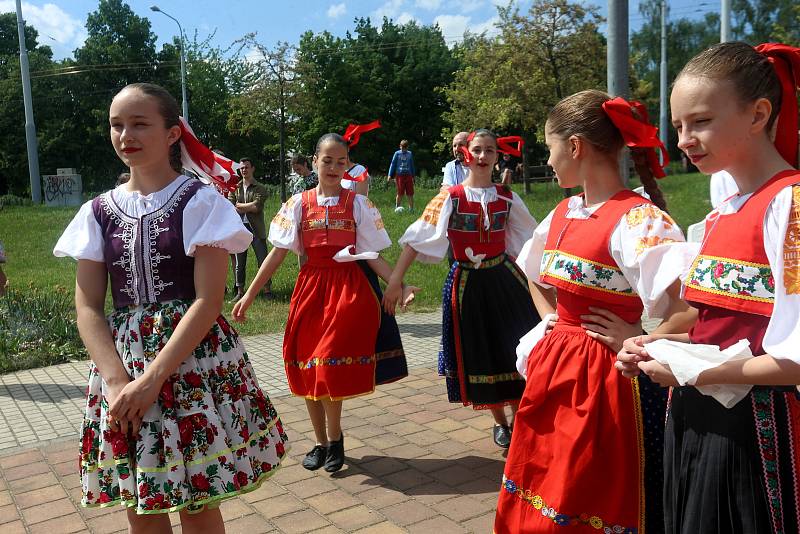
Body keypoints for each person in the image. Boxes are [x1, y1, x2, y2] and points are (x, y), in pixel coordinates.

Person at [52, 82, 289, 532]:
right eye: (116, 125)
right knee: (143, 500)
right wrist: (120, 382)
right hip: (121, 366)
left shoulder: (200, 202)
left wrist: (152, 380)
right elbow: (87, 307)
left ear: (172, 133)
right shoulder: (97, 211)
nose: (126, 135)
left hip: (191, 364)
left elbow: (209, 300)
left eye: (140, 123)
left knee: (198, 500)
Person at [617, 42, 800, 533]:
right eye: (678, 126)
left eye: (699, 122)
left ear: (758, 113)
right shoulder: (722, 214)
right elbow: (722, 328)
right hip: (700, 416)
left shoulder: (791, 208)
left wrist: (693, 372)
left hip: (756, 431)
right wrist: (658, 343)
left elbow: (794, 358)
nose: (684, 139)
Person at [493, 90, 692, 534]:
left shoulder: (638, 219)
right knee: (544, 481)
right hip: (555, 370)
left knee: (589, 490)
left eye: (549, 146)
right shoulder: (564, 212)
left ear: (576, 146)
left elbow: (691, 306)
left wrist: (639, 339)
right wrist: (550, 323)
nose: (548, 157)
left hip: (608, 379)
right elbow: (533, 273)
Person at [232, 133, 417, 474]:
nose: (333, 167)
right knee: (304, 364)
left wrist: (399, 284)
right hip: (310, 289)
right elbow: (277, 254)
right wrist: (249, 294)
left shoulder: (358, 205)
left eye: (340, 161)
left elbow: (372, 255)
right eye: (327, 160)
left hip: (348, 291)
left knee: (329, 363)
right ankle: (320, 441)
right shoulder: (298, 203)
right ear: (314, 162)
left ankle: (334, 439)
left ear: (348, 165)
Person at [383, 129, 539, 448]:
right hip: (466, 283)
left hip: (504, 279)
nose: (482, 156)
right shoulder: (450, 196)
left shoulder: (508, 196)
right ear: (466, 154)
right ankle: (500, 423)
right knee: (479, 349)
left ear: (497, 156)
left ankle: (521, 415)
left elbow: (534, 239)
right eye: (477, 150)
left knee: (515, 343)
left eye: (489, 151)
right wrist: (395, 282)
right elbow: (416, 240)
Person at [228, 158, 272, 301]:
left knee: (263, 260)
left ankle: (267, 290)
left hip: (256, 229)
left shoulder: (260, 188)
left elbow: (257, 207)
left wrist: (240, 205)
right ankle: (240, 291)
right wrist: (246, 206)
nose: (244, 170)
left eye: (247, 167)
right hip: (240, 229)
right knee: (240, 262)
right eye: (242, 168)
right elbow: (231, 207)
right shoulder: (236, 187)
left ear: (252, 168)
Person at [388, 139, 416, 211]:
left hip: (408, 176)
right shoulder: (397, 154)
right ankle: (397, 208)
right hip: (400, 176)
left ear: (407, 147)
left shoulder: (410, 154)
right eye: (402, 147)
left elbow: (412, 165)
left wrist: (413, 176)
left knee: (410, 193)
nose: (404, 149)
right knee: (400, 193)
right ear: (400, 146)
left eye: (405, 148)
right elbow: (393, 164)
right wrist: (389, 175)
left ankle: (411, 209)